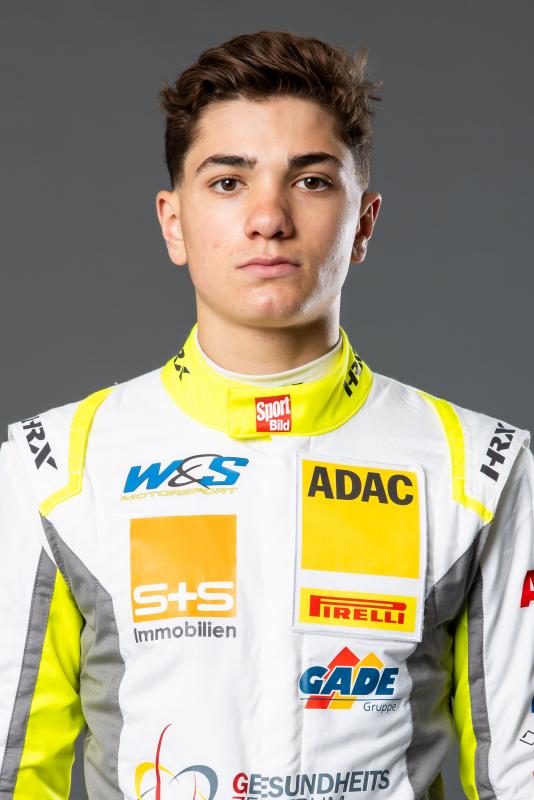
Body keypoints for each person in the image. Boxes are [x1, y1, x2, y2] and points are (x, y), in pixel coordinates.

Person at [0, 29, 532, 800]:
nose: (268, 218)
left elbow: (519, 774)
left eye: (311, 181)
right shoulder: (55, 465)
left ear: (365, 221)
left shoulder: (479, 466)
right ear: (173, 222)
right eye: (228, 182)